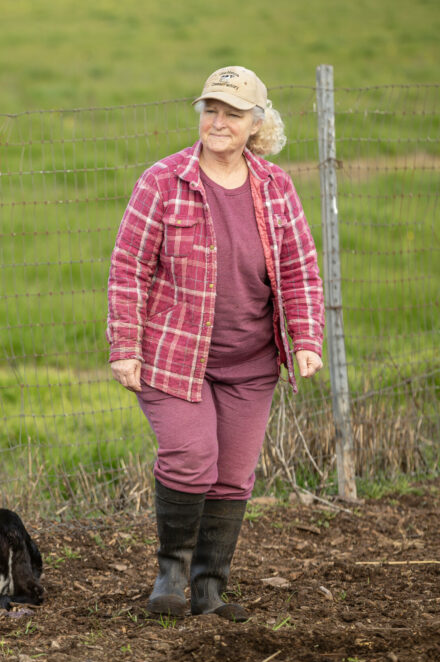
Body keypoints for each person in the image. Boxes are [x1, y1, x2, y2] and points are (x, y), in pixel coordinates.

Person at [106, 66, 325, 622]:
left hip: (251, 360)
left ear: (257, 123)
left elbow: (300, 268)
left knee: (232, 474)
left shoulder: (275, 187)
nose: (218, 122)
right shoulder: (163, 181)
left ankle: (208, 589)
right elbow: (129, 267)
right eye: (211, 110)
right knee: (191, 459)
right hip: (176, 355)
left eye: (232, 113)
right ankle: (170, 576)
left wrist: (306, 336)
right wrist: (125, 345)